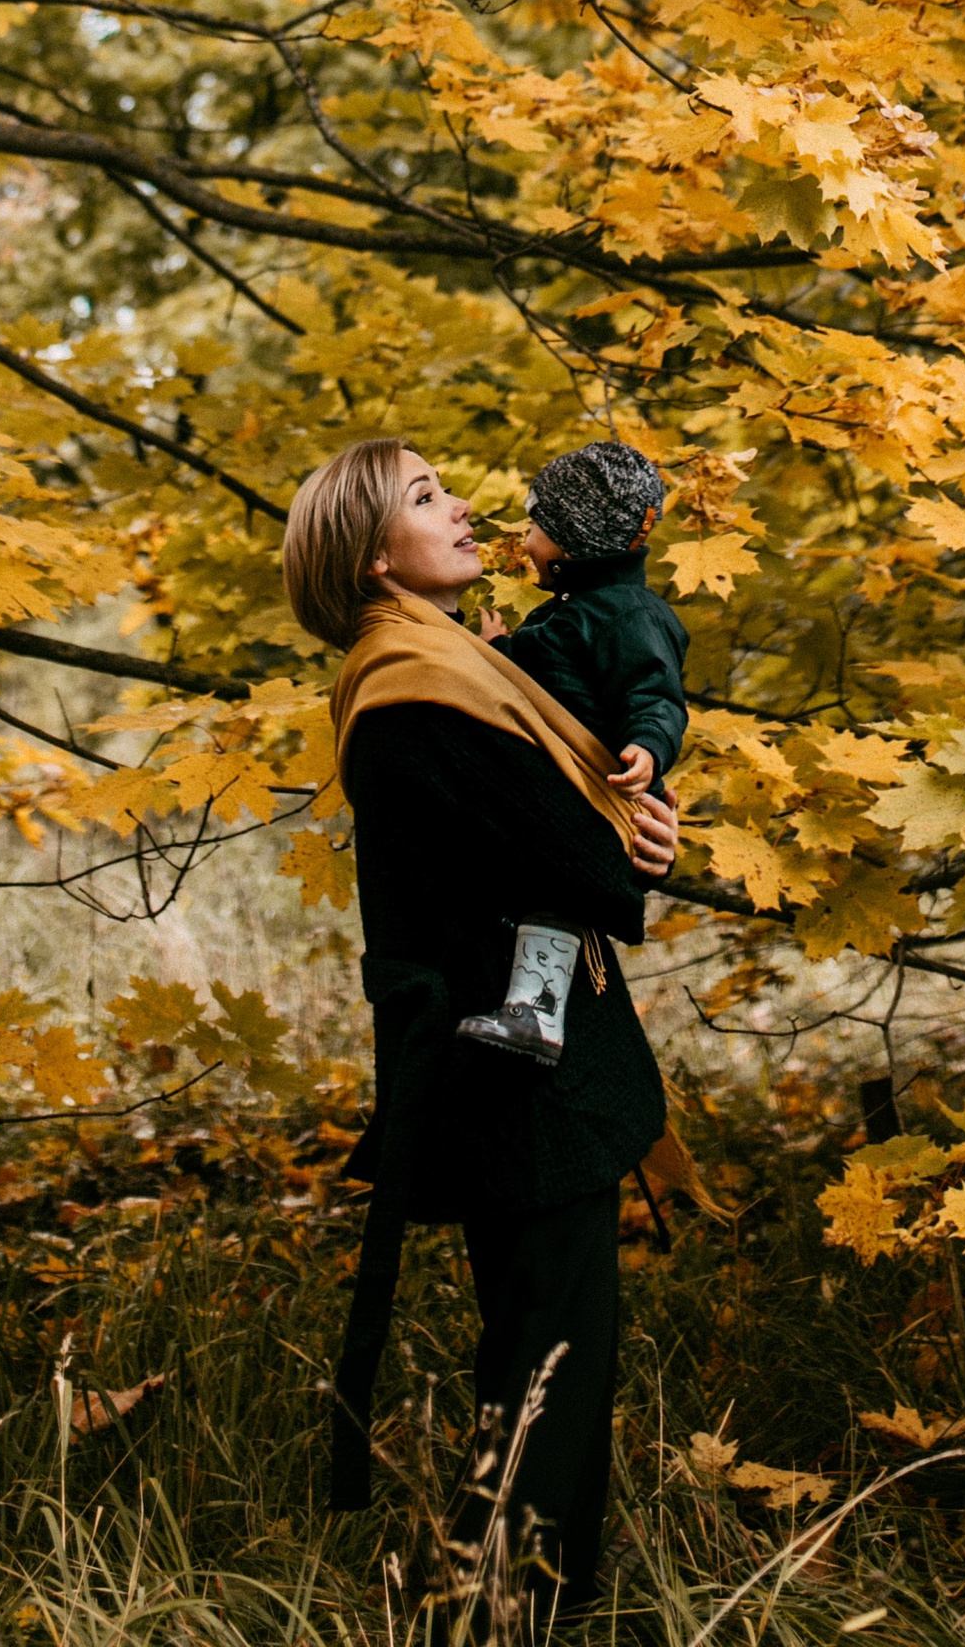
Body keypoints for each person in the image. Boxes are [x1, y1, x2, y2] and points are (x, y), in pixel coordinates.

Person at [284, 435, 681, 1623]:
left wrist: (635, 823)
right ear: (369, 557)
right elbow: (567, 853)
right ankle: (510, 1608)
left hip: (526, 1052)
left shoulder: (457, 664)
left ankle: (496, 1599)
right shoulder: (416, 691)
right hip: (512, 1068)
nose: (460, 508)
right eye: (423, 497)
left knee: (538, 1349)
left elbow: (571, 818)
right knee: (549, 1358)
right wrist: (632, 842)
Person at [463, 440, 688, 1066]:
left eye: (536, 525)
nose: (526, 538)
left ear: (574, 540)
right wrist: (499, 651)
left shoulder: (628, 616)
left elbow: (656, 695)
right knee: (540, 894)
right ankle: (528, 1012)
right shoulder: (574, 614)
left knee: (554, 898)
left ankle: (535, 1017)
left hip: (590, 801)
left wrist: (647, 745)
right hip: (553, 797)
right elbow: (540, 690)